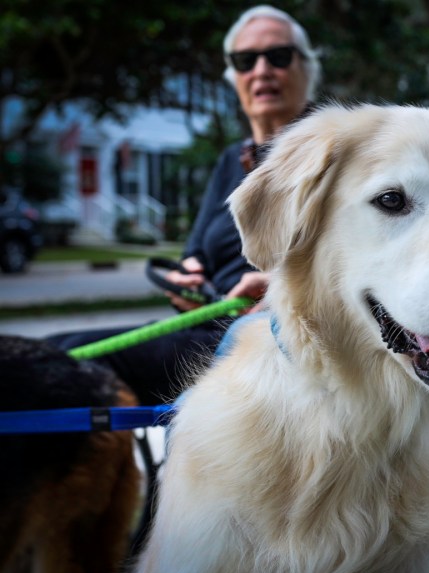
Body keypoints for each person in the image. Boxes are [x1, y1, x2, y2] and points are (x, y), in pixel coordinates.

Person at [48, 5, 321, 406]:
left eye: (278, 56)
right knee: (53, 351)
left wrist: (281, 289)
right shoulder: (231, 161)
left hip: (270, 339)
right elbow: (195, 255)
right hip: (205, 328)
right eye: (245, 61)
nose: (261, 70)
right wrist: (187, 280)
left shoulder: (329, 154)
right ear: (234, 77)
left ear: (307, 69)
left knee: (68, 363)